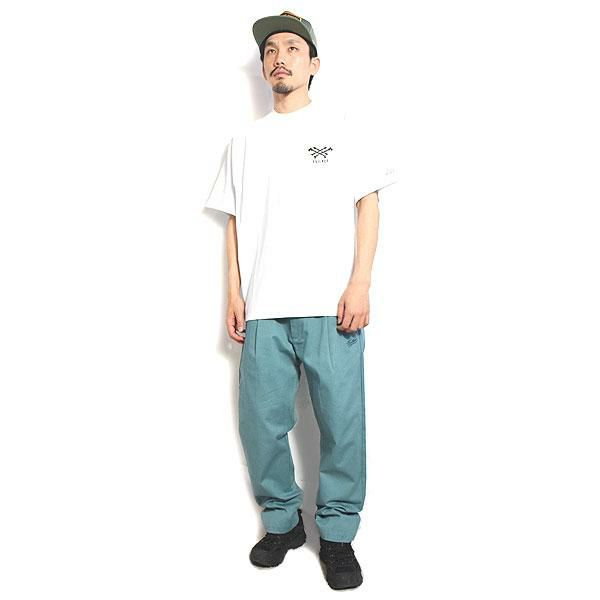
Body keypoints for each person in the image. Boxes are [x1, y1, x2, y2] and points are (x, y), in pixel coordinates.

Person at [204, 10, 397, 590]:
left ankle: (336, 535)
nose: (279, 58)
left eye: (292, 48)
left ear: (314, 64)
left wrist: (360, 282)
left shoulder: (342, 128)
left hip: (329, 304)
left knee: (342, 424)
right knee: (260, 425)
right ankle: (282, 522)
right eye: (270, 51)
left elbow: (368, 203)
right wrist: (234, 292)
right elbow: (234, 220)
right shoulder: (244, 141)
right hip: (264, 308)